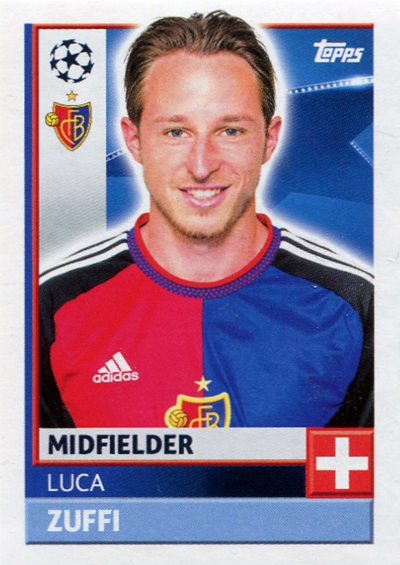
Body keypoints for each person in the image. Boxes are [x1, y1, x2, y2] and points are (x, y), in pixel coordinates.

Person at [39, 11, 373, 429]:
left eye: (230, 131)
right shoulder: (52, 305)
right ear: (134, 140)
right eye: (175, 132)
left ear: (269, 140)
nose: (201, 165)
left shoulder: (355, 305)